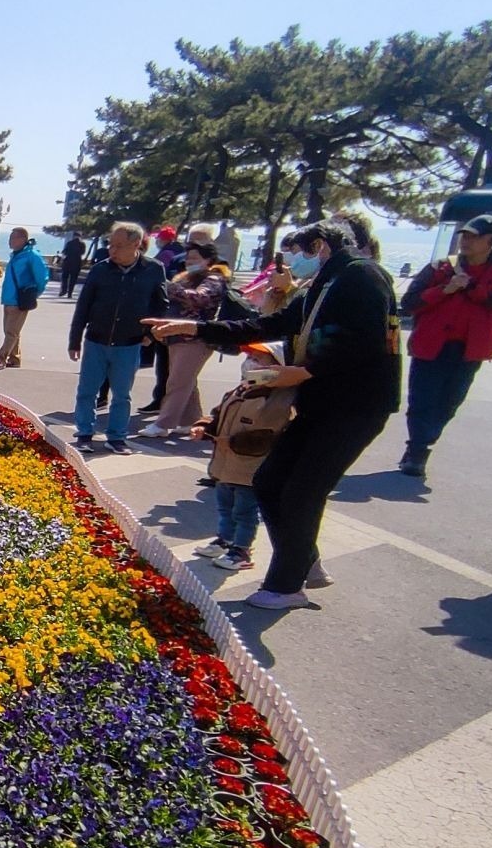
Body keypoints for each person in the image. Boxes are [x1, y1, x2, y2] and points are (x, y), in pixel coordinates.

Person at [147, 219, 400, 610]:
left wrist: (304, 371)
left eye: (298, 250)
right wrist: (197, 328)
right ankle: (304, 559)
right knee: (269, 481)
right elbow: (271, 323)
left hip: (355, 405)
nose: (291, 260)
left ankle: (285, 586)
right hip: (320, 402)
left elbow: (363, 340)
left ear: (320, 245)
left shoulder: (362, 276)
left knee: (301, 491)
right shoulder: (324, 281)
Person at [397, 214, 492, 476]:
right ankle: (417, 450)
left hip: (471, 350)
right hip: (432, 345)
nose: (466, 241)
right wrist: (445, 290)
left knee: (450, 401)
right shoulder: (441, 266)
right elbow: (410, 303)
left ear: (490, 240)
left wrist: (474, 287)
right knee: (422, 400)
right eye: (464, 235)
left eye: (474, 236)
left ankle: (424, 441)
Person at [69, 221, 168, 455]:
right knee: (87, 390)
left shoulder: (153, 269)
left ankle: (116, 437)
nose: (112, 251)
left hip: (129, 343)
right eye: (110, 245)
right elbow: (83, 306)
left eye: (119, 246)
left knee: (122, 394)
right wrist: (75, 340)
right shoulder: (100, 269)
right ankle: (84, 433)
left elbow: (161, 304)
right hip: (96, 340)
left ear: (136, 245)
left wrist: (150, 335)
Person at [190, 342, 290, 571]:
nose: (251, 361)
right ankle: (225, 540)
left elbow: (270, 436)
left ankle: (242, 550)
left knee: (244, 512)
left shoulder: (278, 398)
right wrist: (203, 427)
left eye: (259, 358)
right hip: (225, 466)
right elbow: (218, 414)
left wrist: (233, 442)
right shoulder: (241, 389)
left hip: (249, 469)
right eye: (251, 356)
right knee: (225, 507)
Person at [138, 241, 228, 438]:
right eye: (188, 258)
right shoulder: (187, 278)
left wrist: (171, 288)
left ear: (208, 260)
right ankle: (190, 421)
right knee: (186, 380)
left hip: (196, 338)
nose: (189, 262)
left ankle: (163, 424)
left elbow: (199, 298)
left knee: (177, 381)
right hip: (178, 337)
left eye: (195, 258)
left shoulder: (213, 279)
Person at [0, 227, 47, 371]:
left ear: (22, 239)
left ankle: (1, 358)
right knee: (11, 331)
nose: (10, 241)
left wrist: (34, 293)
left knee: (11, 332)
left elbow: (42, 277)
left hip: (20, 299)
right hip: (9, 299)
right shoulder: (16, 255)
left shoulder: (31, 256)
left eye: (13, 238)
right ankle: (15, 358)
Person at [60, 230, 87, 297]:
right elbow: (83, 253)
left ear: (74, 236)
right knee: (73, 278)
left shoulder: (69, 243)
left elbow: (64, 252)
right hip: (77, 262)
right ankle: (70, 293)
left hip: (68, 262)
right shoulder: (82, 244)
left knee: (65, 277)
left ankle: (64, 291)